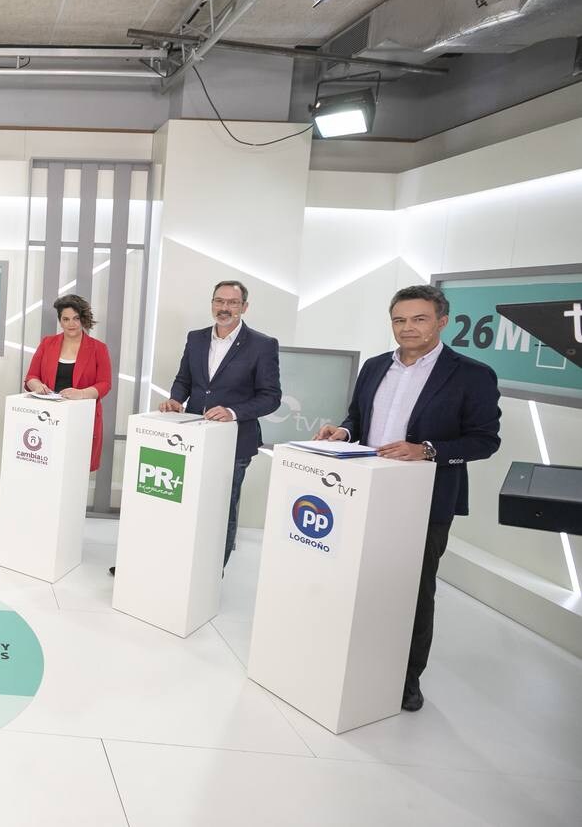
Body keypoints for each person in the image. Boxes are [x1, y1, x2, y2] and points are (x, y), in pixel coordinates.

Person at [315, 284, 500, 713]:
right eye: (399, 319)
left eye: (419, 319)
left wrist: (428, 450)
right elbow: (358, 419)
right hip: (362, 492)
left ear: (442, 321)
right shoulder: (376, 366)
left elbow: (484, 440)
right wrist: (342, 432)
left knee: (413, 591)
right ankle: (352, 662)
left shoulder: (472, 374)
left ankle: (406, 679)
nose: (408, 327)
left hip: (425, 500)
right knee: (359, 582)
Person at [112, 280, 281, 576]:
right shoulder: (197, 338)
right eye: (219, 301)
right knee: (180, 504)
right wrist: (176, 399)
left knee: (221, 509)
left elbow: (271, 397)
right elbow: (184, 379)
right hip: (188, 439)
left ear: (244, 307)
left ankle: (210, 573)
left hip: (233, 443)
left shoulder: (263, 345)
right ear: (212, 303)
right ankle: (171, 564)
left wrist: (232, 412)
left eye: (232, 302)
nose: (224, 308)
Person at [22, 294, 112, 471]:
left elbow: (105, 383)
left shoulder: (98, 348)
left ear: (83, 319)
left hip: (81, 418)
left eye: (76, 318)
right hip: (48, 417)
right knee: (46, 466)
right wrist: (37, 386)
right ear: (60, 321)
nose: (71, 324)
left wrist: (82, 393)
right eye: (66, 319)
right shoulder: (47, 343)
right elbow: (31, 376)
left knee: (75, 469)